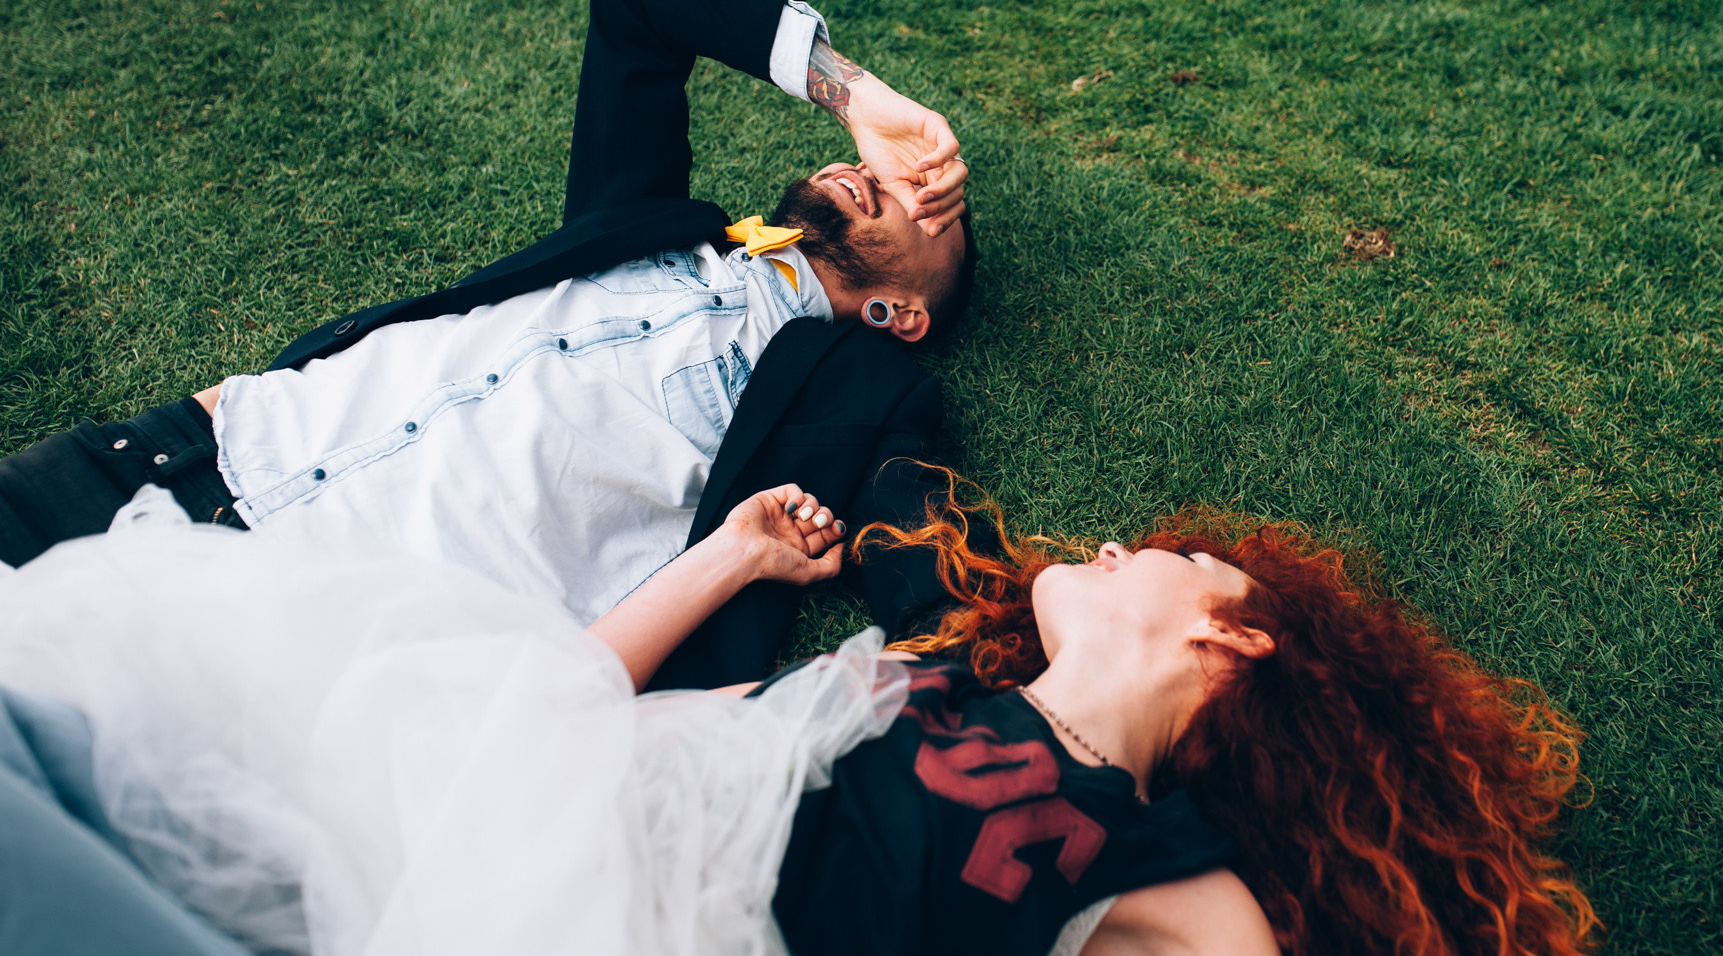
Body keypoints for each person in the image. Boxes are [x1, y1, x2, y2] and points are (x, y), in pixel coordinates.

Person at [0, 480, 1598, 956]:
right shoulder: (914, 675)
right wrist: (727, 556)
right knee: (80, 695)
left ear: (1229, 631)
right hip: (487, 821)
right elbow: (563, 705)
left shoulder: (1178, 880)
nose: (1114, 543)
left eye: (1161, 552)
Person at [0, 0, 977, 689]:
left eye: (929, 199)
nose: (892, 178)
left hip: (298, 639)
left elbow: (920, 548)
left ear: (903, 311)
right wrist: (855, 97)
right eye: (899, 168)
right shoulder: (644, 222)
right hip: (167, 460)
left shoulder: (860, 384)